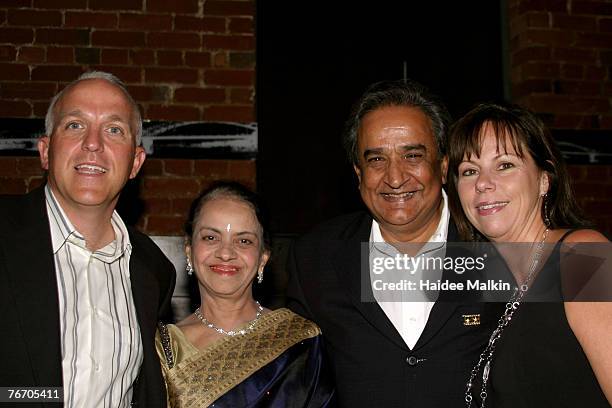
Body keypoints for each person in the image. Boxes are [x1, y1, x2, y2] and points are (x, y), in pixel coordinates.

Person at [286, 79, 498, 407]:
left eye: (412, 156)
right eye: (376, 160)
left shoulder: (495, 243)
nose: (395, 177)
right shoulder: (316, 257)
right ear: (358, 173)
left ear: (443, 167)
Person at [0, 71, 176, 407]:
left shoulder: (153, 271)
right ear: (45, 151)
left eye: (114, 130)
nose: (93, 143)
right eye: (75, 125)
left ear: (135, 162)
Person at [447, 102, 612, 407]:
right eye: (469, 171)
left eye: (505, 165)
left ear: (544, 179)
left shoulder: (582, 256)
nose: (483, 183)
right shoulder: (493, 292)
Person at [155, 181, 335, 407]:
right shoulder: (163, 348)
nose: (226, 253)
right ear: (189, 251)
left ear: (263, 258)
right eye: (211, 237)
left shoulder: (300, 342)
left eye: (244, 241)